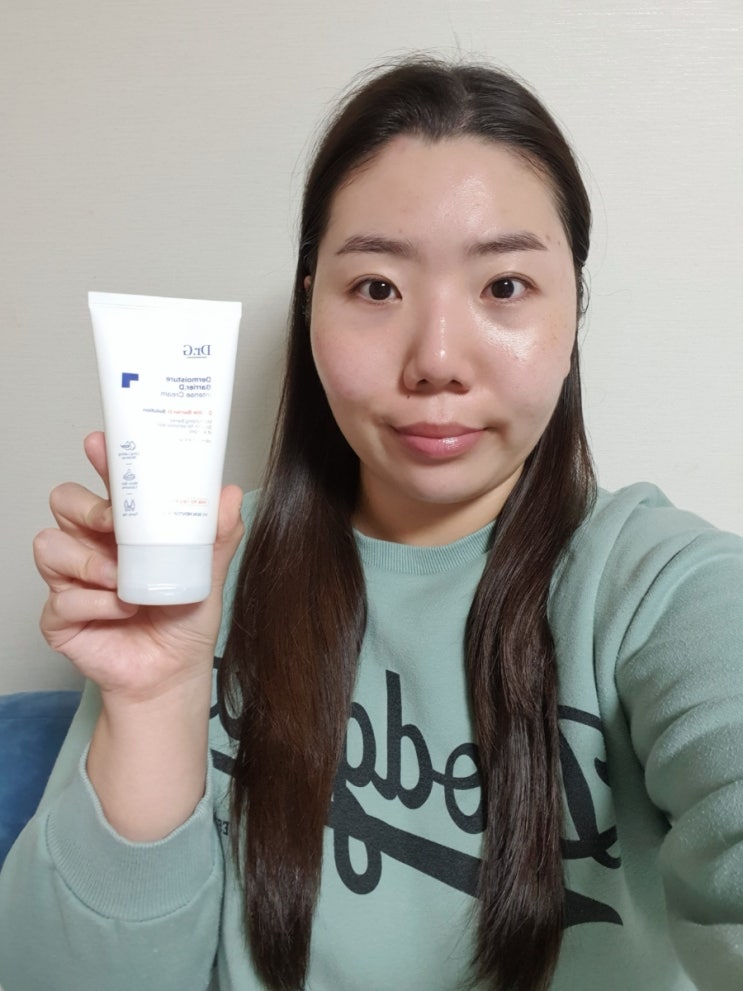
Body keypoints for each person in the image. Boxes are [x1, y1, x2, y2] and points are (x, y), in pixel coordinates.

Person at [0, 56, 742, 991]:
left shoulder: (659, 588)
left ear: (574, 310)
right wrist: (154, 704)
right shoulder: (197, 569)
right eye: (378, 288)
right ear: (311, 302)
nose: (436, 359)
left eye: (504, 286)